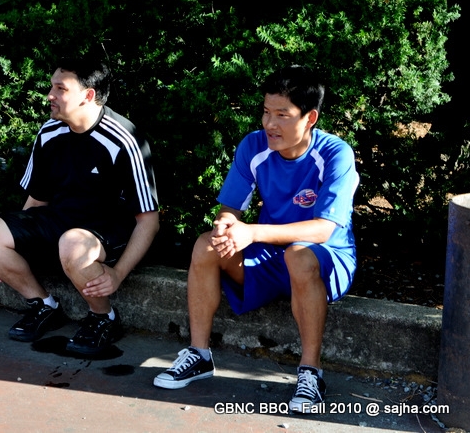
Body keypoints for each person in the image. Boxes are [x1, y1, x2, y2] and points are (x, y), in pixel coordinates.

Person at [153, 66, 359, 414]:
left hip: (326, 257)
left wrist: (251, 232)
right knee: (206, 244)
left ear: (310, 118)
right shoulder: (253, 145)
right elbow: (230, 209)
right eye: (266, 112)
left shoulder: (336, 154)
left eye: (282, 115)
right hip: (269, 253)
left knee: (299, 255)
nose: (269, 124)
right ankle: (199, 354)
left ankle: (311, 373)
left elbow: (323, 230)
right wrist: (225, 226)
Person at [0, 57, 160, 355]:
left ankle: (104, 317)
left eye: (60, 89)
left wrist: (118, 274)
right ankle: (43, 305)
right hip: (60, 222)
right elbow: (37, 199)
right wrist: (8, 251)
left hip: (107, 230)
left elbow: (149, 221)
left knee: (73, 244)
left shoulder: (124, 139)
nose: (50, 95)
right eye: (51, 87)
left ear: (88, 95)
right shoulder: (50, 132)